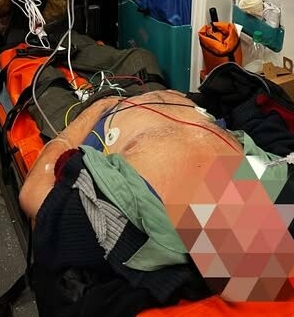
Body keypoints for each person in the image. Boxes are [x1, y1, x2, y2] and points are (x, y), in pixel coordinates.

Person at [19, 89, 244, 220]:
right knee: (140, 56)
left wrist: (97, 109)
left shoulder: (136, 214)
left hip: (102, 114)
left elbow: (33, 194)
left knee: (49, 89)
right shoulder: (254, 177)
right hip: (163, 94)